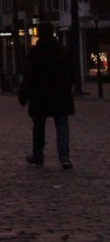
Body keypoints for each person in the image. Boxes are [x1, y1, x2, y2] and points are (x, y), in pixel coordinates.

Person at [18, 22, 75, 169]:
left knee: (39, 126)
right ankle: (64, 157)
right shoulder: (63, 51)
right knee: (62, 124)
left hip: (40, 96)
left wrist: (23, 94)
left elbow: (29, 76)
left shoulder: (35, 53)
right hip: (60, 95)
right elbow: (72, 73)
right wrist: (67, 88)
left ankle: (38, 155)